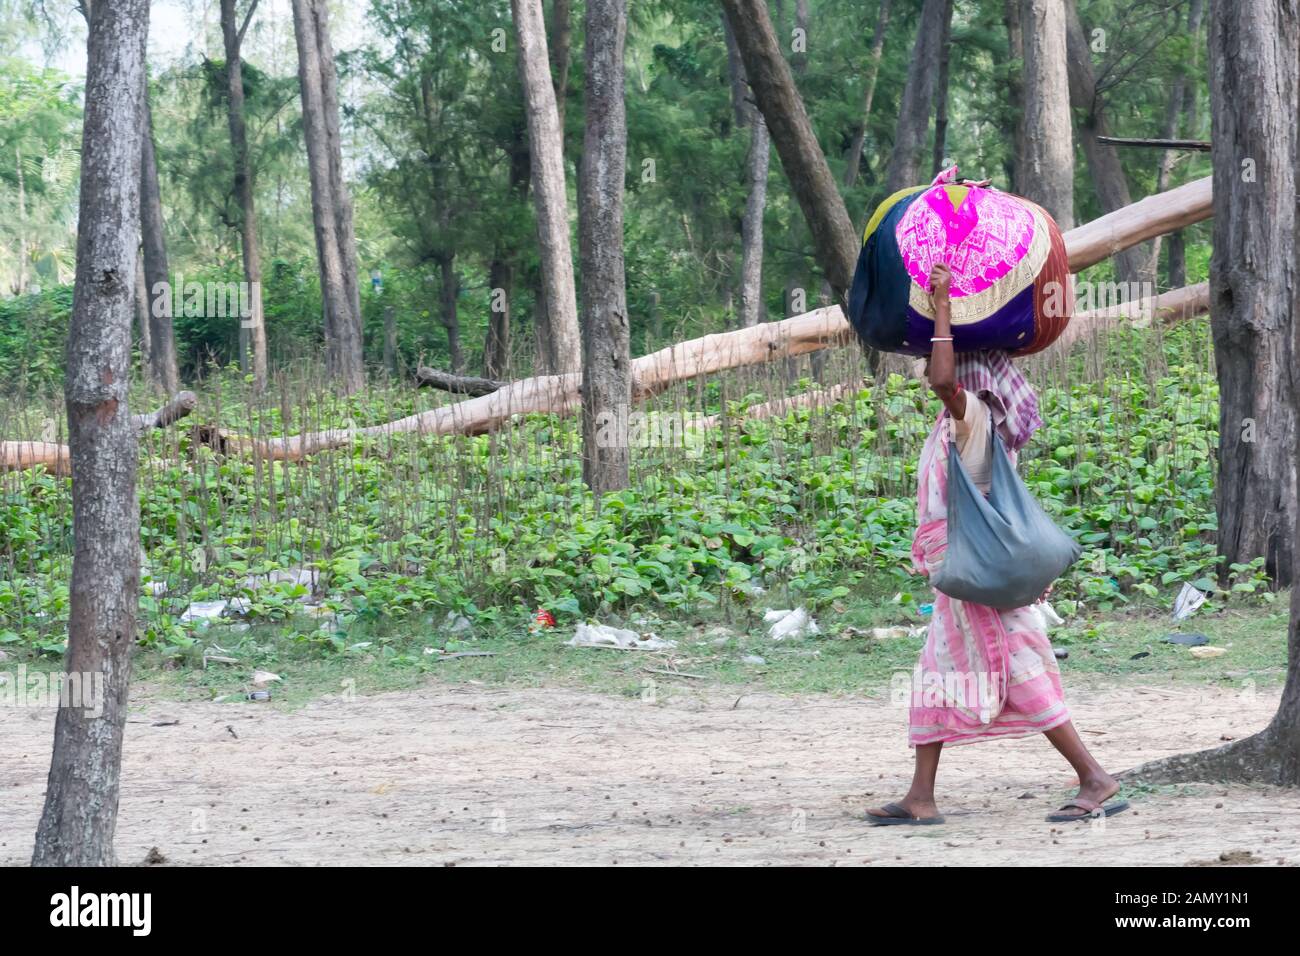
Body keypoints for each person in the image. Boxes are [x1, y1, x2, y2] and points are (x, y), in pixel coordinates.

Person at [866, 262, 1127, 826]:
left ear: (972, 376)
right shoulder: (959, 424)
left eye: (952, 361)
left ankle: (1096, 777)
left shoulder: (976, 419)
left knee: (1022, 672)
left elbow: (941, 380)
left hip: (979, 574)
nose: (938, 372)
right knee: (936, 674)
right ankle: (921, 797)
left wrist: (941, 307)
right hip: (961, 576)